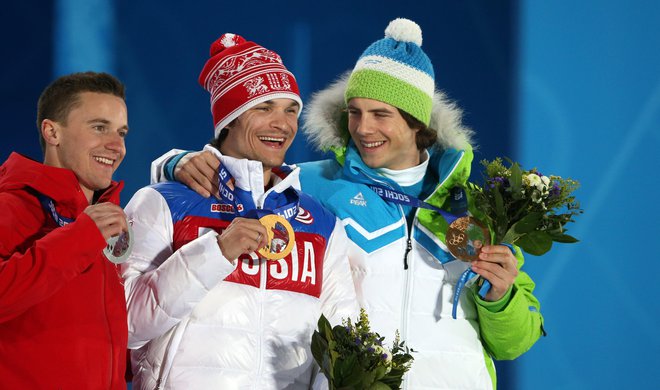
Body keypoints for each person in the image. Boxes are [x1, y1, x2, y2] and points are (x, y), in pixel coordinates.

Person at [156, 19, 545, 389]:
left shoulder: (474, 209)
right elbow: (241, 171)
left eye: (381, 115)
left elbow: (514, 343)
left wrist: (501, 295)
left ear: (418, 124)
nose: (363, 128)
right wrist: (176, 163)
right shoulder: (311, 184)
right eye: (354, 112)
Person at [121, 33, 358, 389]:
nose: (283, 123)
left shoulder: (322, 224)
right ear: (229, 119)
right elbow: (125, 325)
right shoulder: (163, 202)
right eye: (264, 108)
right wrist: (216, 252)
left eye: (290, 109)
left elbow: (344, 348)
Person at [0, 72, 130, 389]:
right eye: (99, 128)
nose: (116, 146)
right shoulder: (11, 207)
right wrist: (80, 238)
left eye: (121, 132)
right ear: (52, 132)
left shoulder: (110, 222)